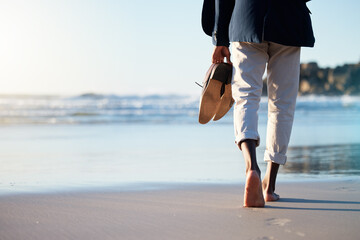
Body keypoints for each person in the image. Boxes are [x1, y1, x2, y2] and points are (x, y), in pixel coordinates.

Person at [202, 0, 315, 207]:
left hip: (247, 17)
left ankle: (251, 167)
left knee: (246, 96)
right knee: (282, 104)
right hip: (289, 21)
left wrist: (219, 39)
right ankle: (269, 187)